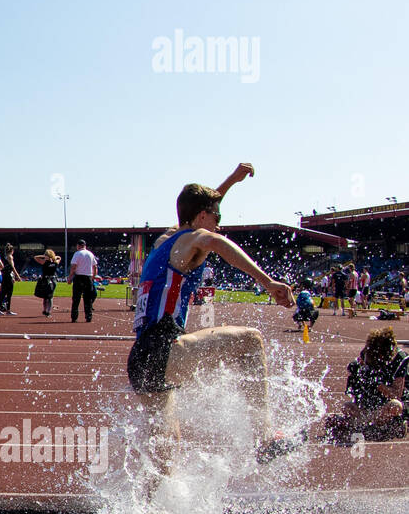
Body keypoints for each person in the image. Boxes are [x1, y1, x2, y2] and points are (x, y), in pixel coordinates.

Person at [127, 181, 294, 467]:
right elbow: (212, 239)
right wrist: (268, 282)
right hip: (165, 349)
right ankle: (265, 437)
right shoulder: (194, 238)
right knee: (251, 340)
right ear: (202, 216)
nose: (219, 223)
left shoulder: (163, 242)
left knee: (167, 449)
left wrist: (230, 181)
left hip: (140, 359)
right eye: (217, 217)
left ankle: (149, 511)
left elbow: (198, 210)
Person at [322, 326, 407, 444]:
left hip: (385, 407)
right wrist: (355, 372)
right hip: (368, 407)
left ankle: (360, 425)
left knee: (396, 406)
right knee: (346, 407)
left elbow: (396, 395)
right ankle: (371, 426)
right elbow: (354, 381)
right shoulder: (367, 353)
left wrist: (377, 384)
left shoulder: (400, 359)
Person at [68, 239, 98, 323]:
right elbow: (95, 267)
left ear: (78, 245)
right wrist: (93, 277)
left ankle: (74, 317)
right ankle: (88, 317)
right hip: (88, 277)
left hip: (79, 277)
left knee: (76, 299)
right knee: (88, 299)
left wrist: (70, 277)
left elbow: (73, 266)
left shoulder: (77, 254)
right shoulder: (90, 254)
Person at [32, 249, 60, 316]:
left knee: (49, 296)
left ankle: (48, 311)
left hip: (48, 280)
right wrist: (53, 257)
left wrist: (45, 257)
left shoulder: (45, 262)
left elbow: (35, 257)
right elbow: (59, 257)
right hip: (49, 280)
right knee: (46, 296)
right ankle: (45, 310)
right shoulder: (55, 262)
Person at [0, 243, 21, 315]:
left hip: (5, 276)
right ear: (12, 250)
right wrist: (17, 276)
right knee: (8, 293)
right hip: (8, 276)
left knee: (3, 292)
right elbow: (12, 267)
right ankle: (7, 310)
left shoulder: (4, 256)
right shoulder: (10, 257)